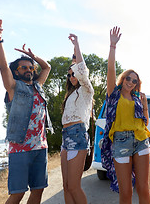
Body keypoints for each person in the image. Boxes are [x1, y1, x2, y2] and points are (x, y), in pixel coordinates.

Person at [0, 14, 54, 204]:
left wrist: (34, 57)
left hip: (40, 147)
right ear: (16, 71)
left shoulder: (38, 86)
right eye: (24, 68)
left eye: (31, 68)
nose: (29, 70)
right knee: (18, 193)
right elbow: (2, 66)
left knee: (38, 190)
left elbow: (47, 67)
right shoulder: (14, 87)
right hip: (20, 148)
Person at [101, 26, 150, 204]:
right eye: (128, 78)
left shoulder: (137, 98)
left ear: (137, 84)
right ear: (123, 79)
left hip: (140, 139)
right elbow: (110, 70)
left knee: (144, 188)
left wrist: (145, 107)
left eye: (134, 80)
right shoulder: (113, 95)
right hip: (121, 141)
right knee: (126, 191)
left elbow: (144, 120)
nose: (131, 82)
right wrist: (112, 46)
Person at [60, 33, 94, 204]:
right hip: (65, 136)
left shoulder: (86, 90)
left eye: (74, 73)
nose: (72, 76)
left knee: (74, 186)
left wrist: (76, 45)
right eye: (69, 75)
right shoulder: (70, 95)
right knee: (66, 186)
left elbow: (81, 68)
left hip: (77, 135)